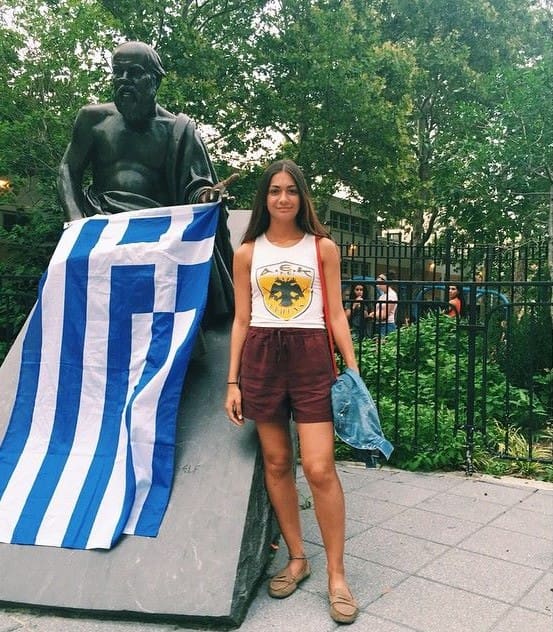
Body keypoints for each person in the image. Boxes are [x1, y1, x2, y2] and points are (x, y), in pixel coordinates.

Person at [224, 159, 359, 624]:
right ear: (264, 198)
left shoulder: (322, 247)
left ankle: (337, 575)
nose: (283, 198)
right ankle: (298, 558)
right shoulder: (247, 252)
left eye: (291, 190)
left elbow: (335, 313)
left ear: (302, 197)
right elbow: (241, 319)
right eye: (274, 190)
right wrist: (232, 381)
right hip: (262, 357)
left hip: (310, 357)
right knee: (278, 463)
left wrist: (353, 372)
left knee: (319, 467)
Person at [57, 40, 236, 322]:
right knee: (69, 266)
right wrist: (77, 223)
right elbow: (68, 169)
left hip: (158, 231)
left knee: (173, 275)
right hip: (101, 224)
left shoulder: (178, 131)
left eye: (134, 73)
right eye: (118, 72)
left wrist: (207, 197)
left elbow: (196, 186)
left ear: (155, 80)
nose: (124, 80)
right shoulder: (93, 119)